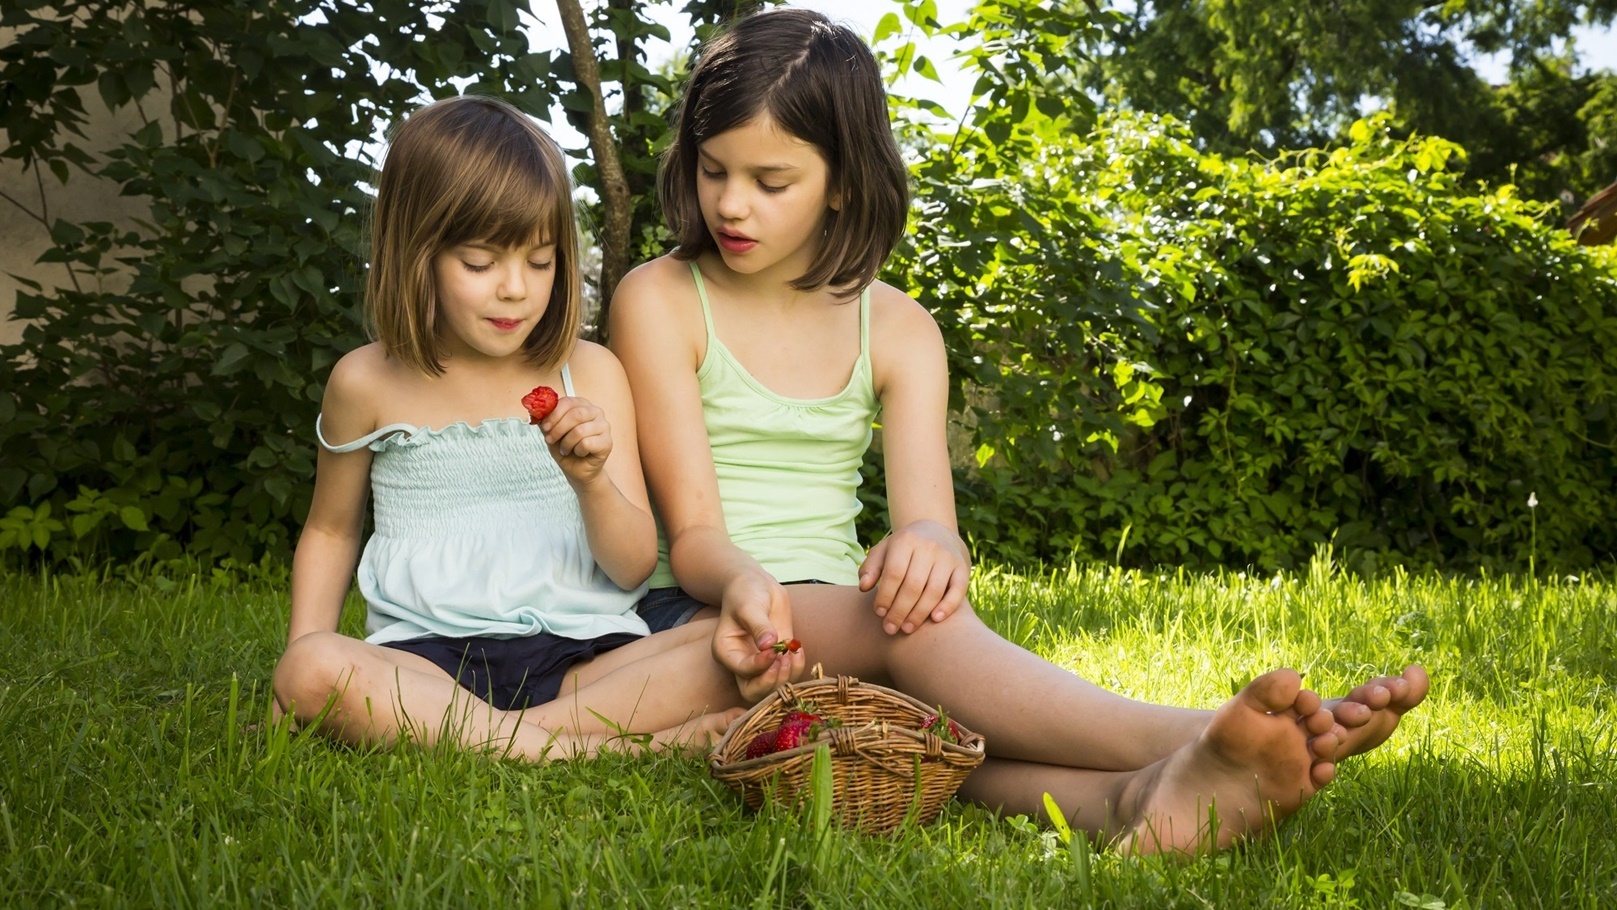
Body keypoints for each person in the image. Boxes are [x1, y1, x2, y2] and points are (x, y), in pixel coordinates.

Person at [605, 7, 1430, 853]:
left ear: (844, 181)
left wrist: (928, 548)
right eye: (713, 171)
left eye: (770, 182)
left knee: (930, 726)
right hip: (709, 618)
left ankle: (1149, 796)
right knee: (909, 634)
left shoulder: (896, 329)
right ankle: (1196, 735)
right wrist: (768, 588)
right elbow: (696, 537)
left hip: (847, 621)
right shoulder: (661, 300)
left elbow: (934, 529)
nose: (732, 204)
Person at [272, 95, 744, 762]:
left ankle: (504, 740)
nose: (515, 289)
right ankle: (581, 747)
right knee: (309, 668)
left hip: (585, 657)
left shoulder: (591, 372)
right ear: (418, 253)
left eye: (540, 260)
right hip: (428, 667)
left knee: (728, 644)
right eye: (480, 262)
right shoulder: (367, 382)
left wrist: (591, 481)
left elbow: (633, 564)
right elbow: (330, 529)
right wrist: (299, 655)